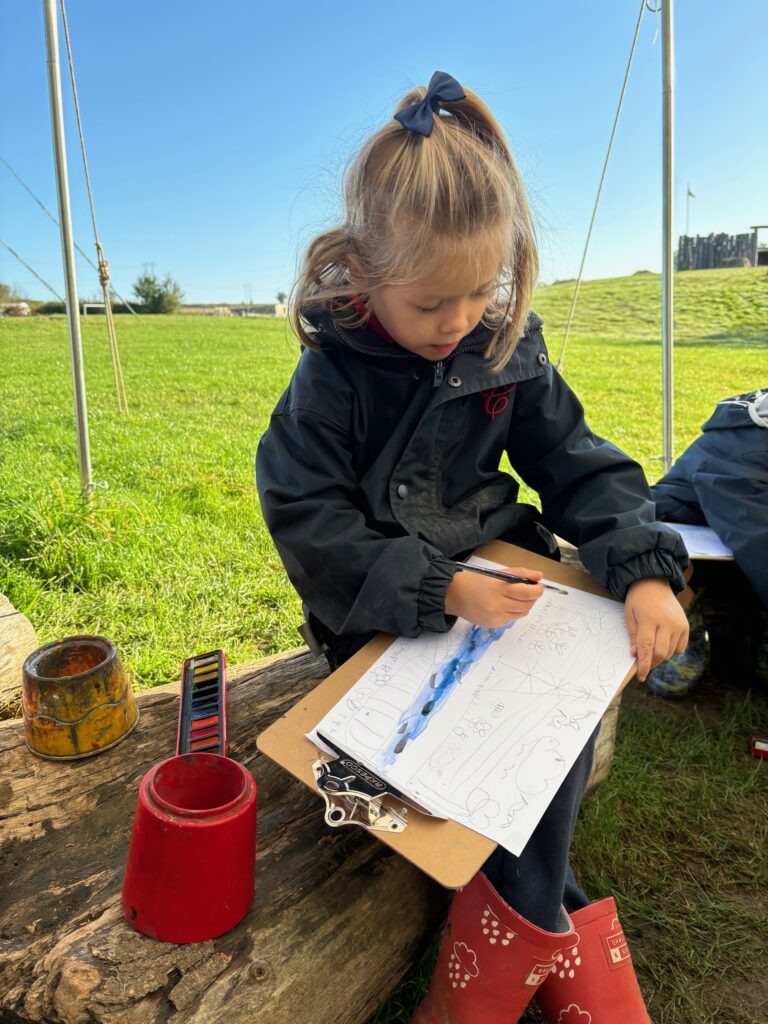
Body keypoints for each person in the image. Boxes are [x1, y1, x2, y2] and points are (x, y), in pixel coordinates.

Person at [257, 71, 689, 1024]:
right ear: (365, 276)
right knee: (474, 767)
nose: (459, 323)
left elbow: (577, 462)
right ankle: (540, 950)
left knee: (553, 731)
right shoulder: (332, 377)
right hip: (383, 604)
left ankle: (486, 977)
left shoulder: (503, 341)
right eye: (431, 306)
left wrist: (644, 565)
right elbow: (304, 515)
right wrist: (442, 589)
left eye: (479, 294)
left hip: (515, 583)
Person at [647, 387, 768, 698]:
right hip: (685, 532)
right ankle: (682, 620)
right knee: (662, 557)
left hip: (739, 543)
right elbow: (761, 548)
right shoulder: (747, 455)